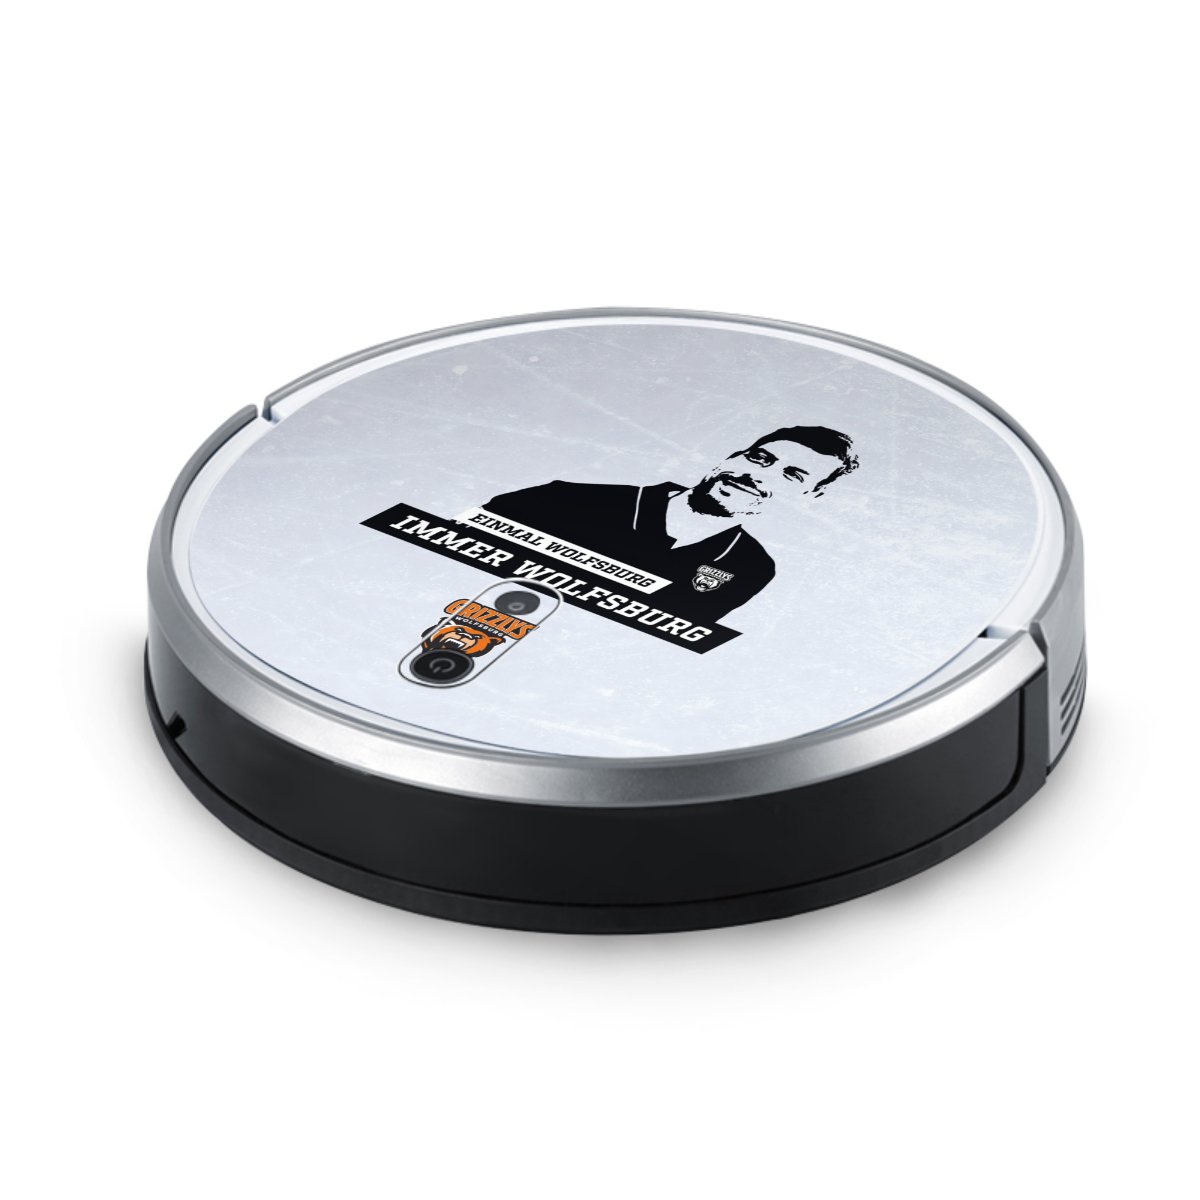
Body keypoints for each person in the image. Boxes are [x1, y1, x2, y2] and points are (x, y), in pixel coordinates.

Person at [483, 425, 859, 621]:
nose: (757, 475)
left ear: (809, 496)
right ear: (731, 456)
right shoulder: (562, 500)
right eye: (759, 458)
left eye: (792, 475)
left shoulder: (750, 568)